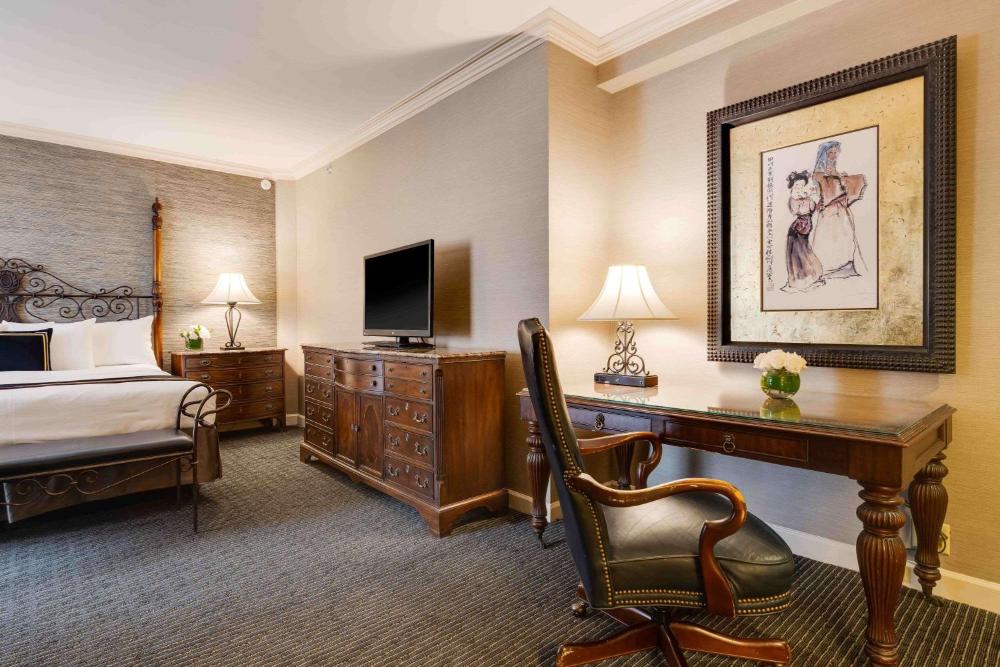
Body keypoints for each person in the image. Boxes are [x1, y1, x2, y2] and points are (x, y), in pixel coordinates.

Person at [810, 140, 868, 280]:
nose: (833, 155)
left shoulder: (835, 170)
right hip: (828, 208)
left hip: (839, 208)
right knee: (826, 236)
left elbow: (839, 185)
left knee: (844, 234)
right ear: (824, 154)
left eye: (836, 152)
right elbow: (821, 186)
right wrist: (836, 177)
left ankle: (843, 265)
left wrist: (841, 177)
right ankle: (826, 267)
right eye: (830, 152)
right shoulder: (819, 173)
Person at [781, 171, 824, 292]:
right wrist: (802, 199)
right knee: (796, 254)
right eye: (796, 185)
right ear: (793, 187)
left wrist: (812, 198)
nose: (799, 188)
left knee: (804, 251)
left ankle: (811, 276)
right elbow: (796, 211)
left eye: (801, 185)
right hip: (796, 229)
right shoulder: (793, 199)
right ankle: (798, 280)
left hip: (805, 227)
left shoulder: (808, 198)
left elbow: (812, 209)